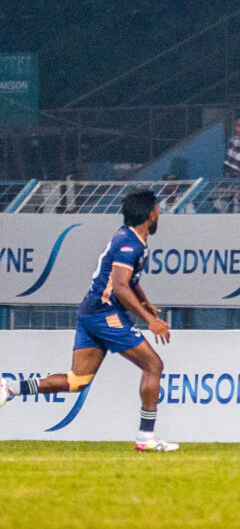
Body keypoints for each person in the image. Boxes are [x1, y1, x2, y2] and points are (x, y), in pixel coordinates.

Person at [0, 188, 177, 452]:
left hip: (91, 312)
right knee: (153, 365)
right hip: (104, 314)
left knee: (77, 381)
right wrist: (150, 320)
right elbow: (119, 286)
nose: (159, 214)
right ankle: (145, 437)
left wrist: (144, 301)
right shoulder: (130, 245)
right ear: (150, 213)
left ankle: (10, 387)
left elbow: (128, 282)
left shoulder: (130, 239)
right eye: (157, 210)